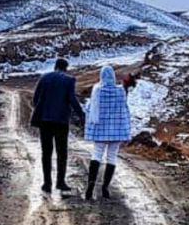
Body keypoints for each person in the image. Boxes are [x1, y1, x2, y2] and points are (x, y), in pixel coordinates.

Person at [31, 57, 84, 195]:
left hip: (45, 121)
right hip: (61, 121)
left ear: (55, 66)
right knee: (62, 153)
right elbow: (72, 99)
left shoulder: (44, 78)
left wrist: (41, 110)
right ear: (65, 68)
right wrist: (81, 115)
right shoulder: (69, 80)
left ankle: (47, 184)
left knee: (46, 153)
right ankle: (60, 182)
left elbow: (35, 99)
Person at [84, 64, 132, 200]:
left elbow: (89, 108)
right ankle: (105, 187)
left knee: (97, 155)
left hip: (100, 130)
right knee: (112, 157)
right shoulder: (121, 91)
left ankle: (90, 185)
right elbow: (124, 108)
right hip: (116, 131)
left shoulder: (97, 90)